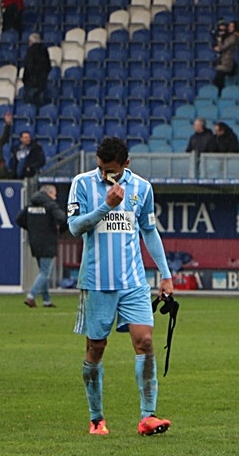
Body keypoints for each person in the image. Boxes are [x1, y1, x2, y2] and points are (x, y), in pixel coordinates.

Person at [67, 136, 175, 436]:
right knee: (96, 348)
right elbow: (75, 227)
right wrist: (105, 206)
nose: (105, 175)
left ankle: (147, 416)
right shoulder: (82, 184)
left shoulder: (142, 188)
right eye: (101, 168)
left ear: (126, 164)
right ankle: (96, 419)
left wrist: (165, 275)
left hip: (134, 282)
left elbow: (149, 231)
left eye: (111, 169)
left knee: (145, 342)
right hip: (97, 282)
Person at [17, 184, 66, 308]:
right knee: (45, 272)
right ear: (49, 193)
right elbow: (62, 218)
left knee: (42, 271)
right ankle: (31, 296)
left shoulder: (30, 206)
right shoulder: (50, 206)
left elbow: (19, 219)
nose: (55, 198)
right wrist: (60, 229)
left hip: (34, 241)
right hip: (48, 241)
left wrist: (32, 229)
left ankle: (46, 300)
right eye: (54, 194)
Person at [213, 20, 239, 96]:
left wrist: (219, 41)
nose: (229, 28)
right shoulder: (229, 36)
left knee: (219, 75)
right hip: (224, 60)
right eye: (229, 26)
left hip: (227, 61)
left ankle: (221, 93)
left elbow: (222, 47)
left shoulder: (233, 37)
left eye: (232, 26)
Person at [22, 32, 51, 107]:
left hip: (31, 83)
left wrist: (25, 79)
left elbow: (29, 67)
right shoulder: (44, 51)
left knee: (29, 105)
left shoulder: (30, 51)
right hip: (41, 83)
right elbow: (48, 66)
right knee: (39, 105)